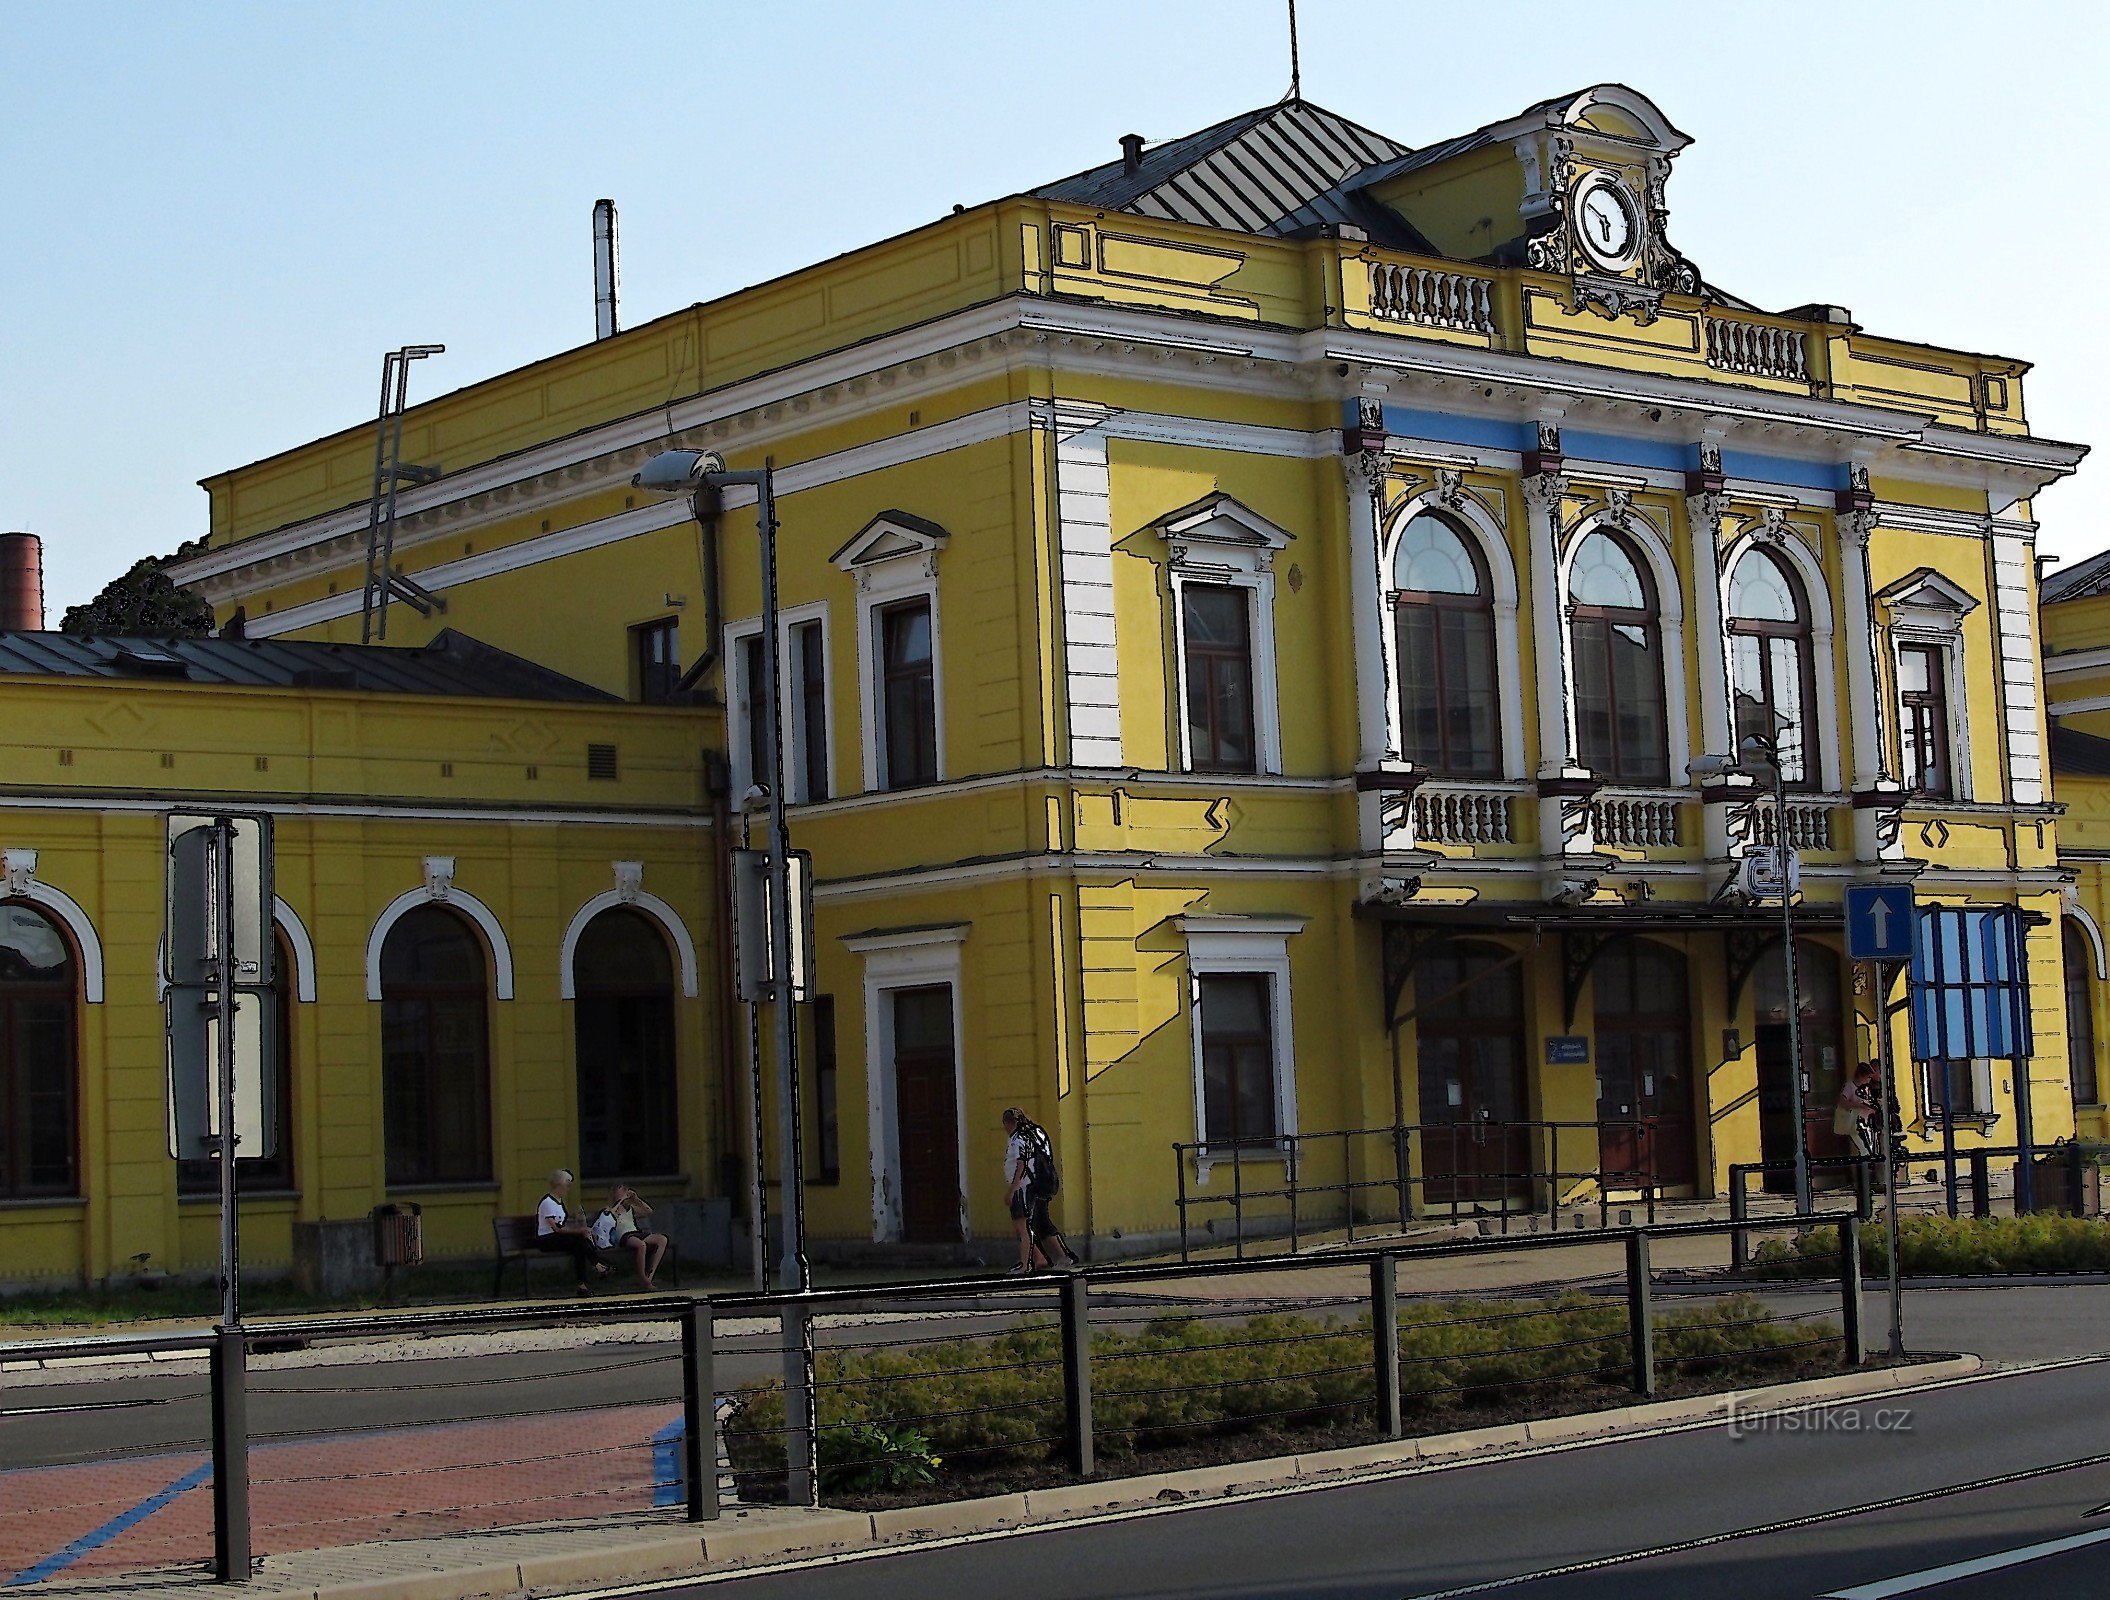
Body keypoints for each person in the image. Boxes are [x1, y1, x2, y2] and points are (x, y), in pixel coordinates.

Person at [1001, 1108, 1076, 1274]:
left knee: (1028, 1225)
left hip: (1026, 1187)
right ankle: (1042, 1258)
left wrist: (1012, 1190)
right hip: (1036, 1184)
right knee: (1036, 1223)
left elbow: (1022, 1164)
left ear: (1009, 1123)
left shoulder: (1020, 1138)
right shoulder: (1035, 1132)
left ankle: (1029, 1263)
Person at [535, 1169, 606, 1292]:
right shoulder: (547, 1202)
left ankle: (582, 1285)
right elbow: (557, 1228)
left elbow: (561, 1222)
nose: (568, 1189)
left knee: (579, 1248)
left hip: (557, 1238)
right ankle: (597, 1264)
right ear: (559, 1185)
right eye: (567, 1185)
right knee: (579, 1238)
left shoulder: (558, 1202)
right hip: (546, 1239)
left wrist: (574, 1217)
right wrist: (580, 1230)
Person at [592, 1184, 670, 1289]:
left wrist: (636, 1198)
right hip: (624, 1236)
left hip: (636, 1232)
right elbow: (607, 1216)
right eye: (620, 1191)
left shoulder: (630, 1208)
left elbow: (649, 1211)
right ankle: (642, 1278)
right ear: (614, 1194)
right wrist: (620, 1201)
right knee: (641, 1245)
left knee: (662, 1239)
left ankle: (649, 1277)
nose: (623, 1193)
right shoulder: (608, 1208)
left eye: (624, 1191)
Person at [1834, 1062, 1879, 1157]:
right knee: (1865, 1148)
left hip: (1866, 1121)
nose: (1869, 1080)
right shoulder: (1850, 1086)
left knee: (1870, 1147)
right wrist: (1859, 1105)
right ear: (1861, 1075)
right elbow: (1843, 1102)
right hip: (1854, 1122)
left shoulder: (1866, 1088)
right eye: (1868, 1077)